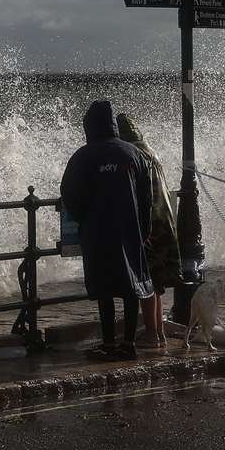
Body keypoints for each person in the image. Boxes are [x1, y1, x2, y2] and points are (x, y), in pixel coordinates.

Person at [60, 99, 153, 360]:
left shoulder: (83, 156)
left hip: (97, 232)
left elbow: (69, 194)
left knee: (104, 289)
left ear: (89, 126)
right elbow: (148, 198)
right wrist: (144, 229)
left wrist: (83, 219)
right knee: (131, 286)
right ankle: (129, 343)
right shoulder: (134, 154)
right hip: (130, 230)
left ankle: (109, 343)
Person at [115, 112, 180, 348]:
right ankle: (159, 332)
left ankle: (151, 335)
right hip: (165, 220)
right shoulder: (151, 151)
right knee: (156, 282)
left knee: (146, 280)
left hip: (150, 224)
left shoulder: (133, 154)